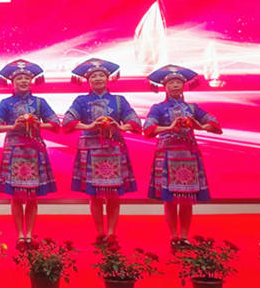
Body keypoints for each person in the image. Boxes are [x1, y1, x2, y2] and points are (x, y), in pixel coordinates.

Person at [143, 65, 222, 245]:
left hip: (188, 155)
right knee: (170, 200)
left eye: (178, 82)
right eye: (171, 83)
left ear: (183, 85)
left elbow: (215, 124)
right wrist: (170, 127)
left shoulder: (192, 108)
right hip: (167, 155)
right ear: (165, 87)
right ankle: (173, 237)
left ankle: (184, 237)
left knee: (187, 199)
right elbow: (148, 128)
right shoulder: (158, 108)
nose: (175, 86)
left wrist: (199, 126)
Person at [63, 58, 141, 238]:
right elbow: (67, 122)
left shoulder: (119, 100)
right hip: (90, 151)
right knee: (94, 195)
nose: (98, 78)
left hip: (114, 149)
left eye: (101, 75)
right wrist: (89, 126)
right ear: (88, 80)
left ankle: (112, 233)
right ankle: (99, 232)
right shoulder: (81, 100)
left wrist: (119, 126)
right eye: (94, 76)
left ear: (107, 78)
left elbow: (135, 122)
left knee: (114, 194)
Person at [0, 60, 59, 242]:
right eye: (19, 78)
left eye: (26, 78)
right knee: (16, 196)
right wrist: (14, 126)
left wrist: (38, 124)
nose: (23, 81)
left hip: (35, 151)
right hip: (14, 151)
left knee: (32, 196)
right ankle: (20, 234)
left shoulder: (39, 102)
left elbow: (55, 124)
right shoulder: (6, 103)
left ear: (31, 81)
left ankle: (29, 234)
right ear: (12, 82)